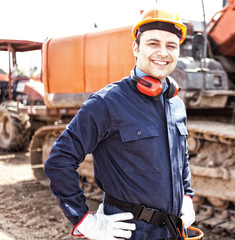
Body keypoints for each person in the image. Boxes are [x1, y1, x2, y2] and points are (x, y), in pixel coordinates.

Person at [44, 7, 195, 240]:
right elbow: (59, 161)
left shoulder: (175, 104)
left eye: (171, 46)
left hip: (172, 232)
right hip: (128, 233)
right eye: (153, 43)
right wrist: (85, 221)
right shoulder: (107, 103)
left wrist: (186, 195)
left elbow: (180, 157)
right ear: (136, 47)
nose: (163, 52)